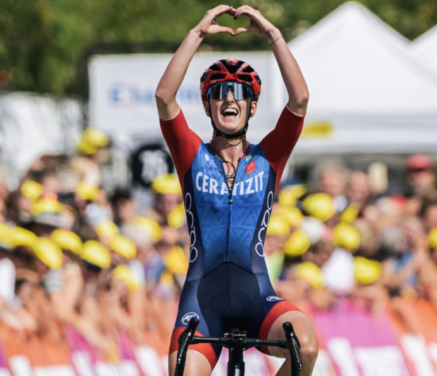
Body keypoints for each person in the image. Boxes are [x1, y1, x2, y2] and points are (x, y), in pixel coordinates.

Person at [155, 5, 318, 375]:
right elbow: (165, 98)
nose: (229, 99)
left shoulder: (269, 158)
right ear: (208, 105)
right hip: (202, 298)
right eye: (220, 93)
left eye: (239, 93)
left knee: (304, 347)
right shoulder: (192, 155)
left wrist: (274, 35)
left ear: (252, 105)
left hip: (256, 293)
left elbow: (300, 100)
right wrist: (197, 33)